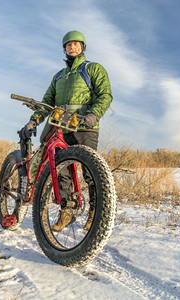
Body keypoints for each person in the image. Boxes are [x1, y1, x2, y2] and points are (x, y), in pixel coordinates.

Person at [19, 30, 113, 231]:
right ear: (64, 49)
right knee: (61, 171)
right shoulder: (59, 76)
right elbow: (47, 103)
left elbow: (105, 95)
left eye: (76, 44)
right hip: (61, 127)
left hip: (85, 127)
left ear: (82, 47)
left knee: (90, 171)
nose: (72, 47)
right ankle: (66, 212)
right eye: (68, 45)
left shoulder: (93, 69)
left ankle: (95, 214)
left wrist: (94, 114)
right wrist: (34, 120)